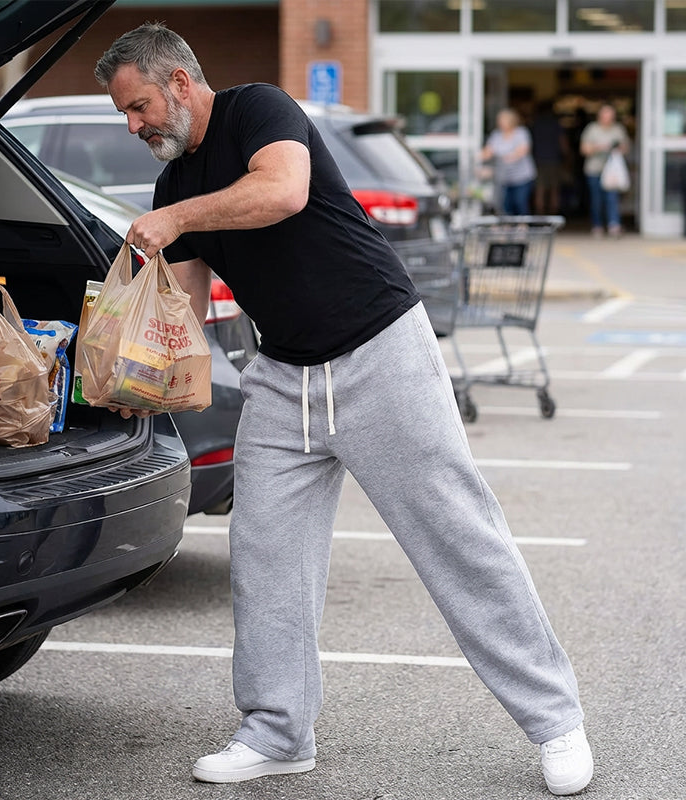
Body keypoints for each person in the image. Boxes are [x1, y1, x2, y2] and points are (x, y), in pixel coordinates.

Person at [94, 23, 594, 796]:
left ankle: (557, 722)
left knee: (459, 538)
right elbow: (183, 319)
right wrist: (129, 366)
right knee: (266, 562)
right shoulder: (170, 187)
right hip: (283, 376)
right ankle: (277, 732)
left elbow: (285, 190)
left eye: (139, 106)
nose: (135, 126)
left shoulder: (258, 109)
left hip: (379, 349)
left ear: (182, 83)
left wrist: (181, 220)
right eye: (125, 115)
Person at [580, 104, 630, 237]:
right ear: (599, 116)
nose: (607, 118)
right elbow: (584, 149)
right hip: (594, 169)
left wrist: (617, 148)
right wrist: (600, 147)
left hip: (612, 171)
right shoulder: (592, 129)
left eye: (610, 115)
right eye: (605, 115)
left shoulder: (618, 129)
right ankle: (597, 226)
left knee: (612, 198)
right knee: (596, 200)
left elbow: (626, 147)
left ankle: (614, 225)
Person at [480, 108, 537, 215]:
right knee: (506, 204)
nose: (500, 123)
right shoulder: (496, 135)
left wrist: (507, 157)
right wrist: (479, 157)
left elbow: (523, 150)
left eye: (503, 120)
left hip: (522, 177)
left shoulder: (521, 133)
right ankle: (509, 227)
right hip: (504, 177)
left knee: (520, 202)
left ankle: (522, 225)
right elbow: (488, 151)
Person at [531, 99, 567, 215]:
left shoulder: (535, 124)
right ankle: (553, 217)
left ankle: (539, 216)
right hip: (553, 160)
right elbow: (563, 143)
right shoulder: (555, 124)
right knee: (554, 190)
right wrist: (567, 156)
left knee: (539, 190)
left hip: (538, 160)